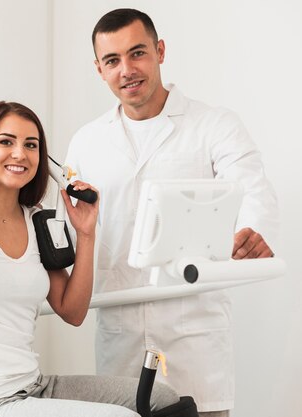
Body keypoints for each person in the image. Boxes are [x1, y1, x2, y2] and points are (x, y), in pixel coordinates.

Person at [65, 8, 279, 417]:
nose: (127, 70)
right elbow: (72, 231)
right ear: (99, 69)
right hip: (119, 334)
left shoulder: (214, 125)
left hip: (194, 336)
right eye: (112, 61)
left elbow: (252, 189)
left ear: (160, 51)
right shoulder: (87, 142)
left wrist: (252, 229)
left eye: (138, 53)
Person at [0, 101, 179, 417]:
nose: (20, 154)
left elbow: (72, 311)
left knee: (164, 399)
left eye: (31, 145)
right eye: (6, 142)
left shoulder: (37, 222)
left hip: (35, 385)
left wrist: (86, 234)